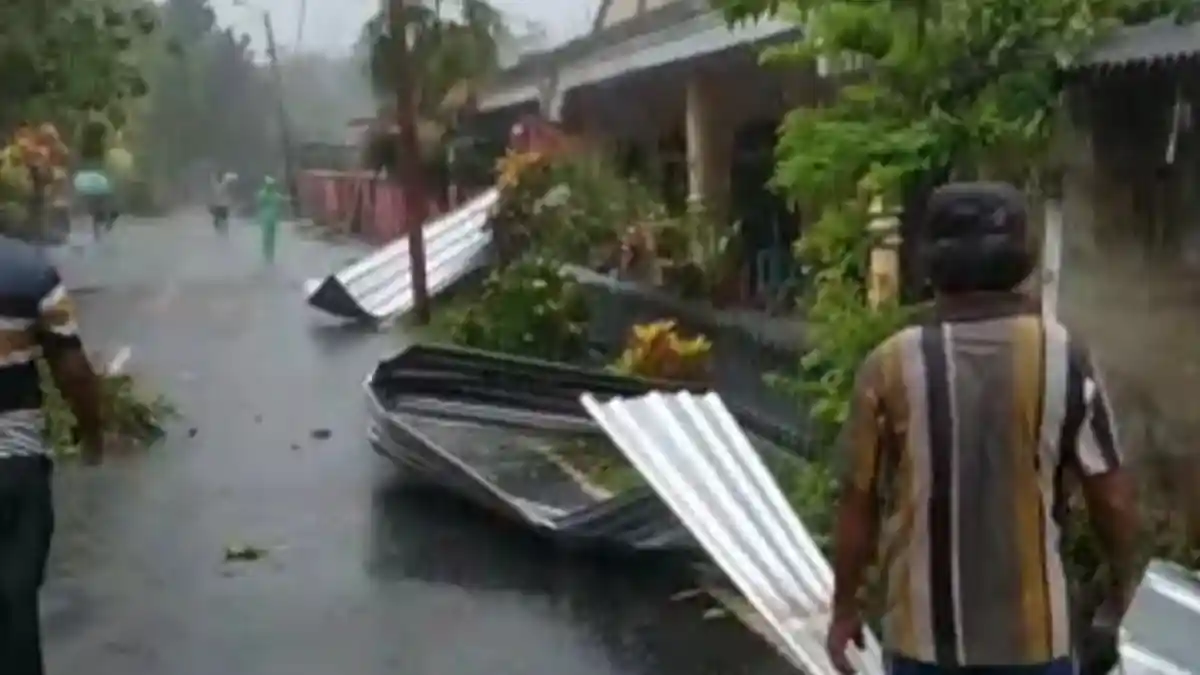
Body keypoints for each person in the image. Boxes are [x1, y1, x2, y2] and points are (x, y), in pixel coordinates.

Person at [826, 182, 1139, 675]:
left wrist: (845, 607)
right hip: (1036, 644)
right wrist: (1122, 588)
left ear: (930, 261)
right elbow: (1113, 500)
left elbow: (857, 505)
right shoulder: (1065, 357)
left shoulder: (890, 364)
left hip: (923, 644)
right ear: (1023, 260)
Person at [0, 235, 103, 675]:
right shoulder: (30, 272)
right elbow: (73, 371)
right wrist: (91, 430)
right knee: (15, 597)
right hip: (13, 466)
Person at [256, 176, 284, 264]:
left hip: (270, 218)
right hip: (269, 218)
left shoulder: (265, 194)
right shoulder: (271, 195)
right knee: (268, 238)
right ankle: (268, 256)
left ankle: (269, 256)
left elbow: (259, 205)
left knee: (269, 238)